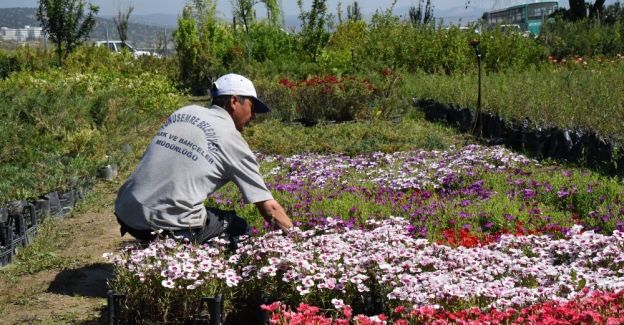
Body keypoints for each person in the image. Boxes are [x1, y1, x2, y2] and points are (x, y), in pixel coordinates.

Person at [114, 73, 294, 244]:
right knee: (238, 227)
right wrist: (299, 241)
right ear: (233, 101)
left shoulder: (184, 112)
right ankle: (210, 269)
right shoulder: (231, 139)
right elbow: (269, 208)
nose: (253, 117)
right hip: (163, 223)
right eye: (252, 108)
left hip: (126, 209)